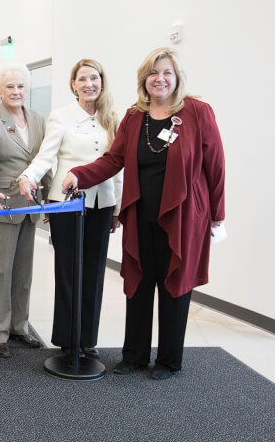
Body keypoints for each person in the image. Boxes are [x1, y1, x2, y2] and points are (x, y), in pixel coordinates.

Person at [62, 47, 225, 380]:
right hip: (140, 215)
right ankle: (134, 355)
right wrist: (79, 174)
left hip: (182, 218)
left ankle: (168, 360)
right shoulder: (135, 116)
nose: (159, 79)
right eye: (153, 73)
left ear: (176, 77)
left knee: (174, 286)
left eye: (166, 72)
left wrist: (217, 214)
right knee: (138, 284)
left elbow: (216, 166)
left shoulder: (197, 112)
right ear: (144, 80)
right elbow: (113, 159)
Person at [19, 59, 121, 358]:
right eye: (83, 79)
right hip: (65, 205)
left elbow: (117, 167)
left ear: (102, 82)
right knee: (68, 272)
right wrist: (28, 176)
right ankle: (67, 339)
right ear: (73, 84)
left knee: (94, 274)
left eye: (94, 78)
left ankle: (87, 340)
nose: (89, 84)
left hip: (102, 204)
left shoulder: (111, 118)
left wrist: (117, 207)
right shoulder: (61, 116)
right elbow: (46, 156)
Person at [0, 62, 50, 359]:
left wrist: (50, 200)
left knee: (23, 272)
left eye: (20, 86)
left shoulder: (39, 119)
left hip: (31, 204)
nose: (16, 91)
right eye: (10, 86)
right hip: (1, 203)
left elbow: (46, 159)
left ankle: (20, 326)